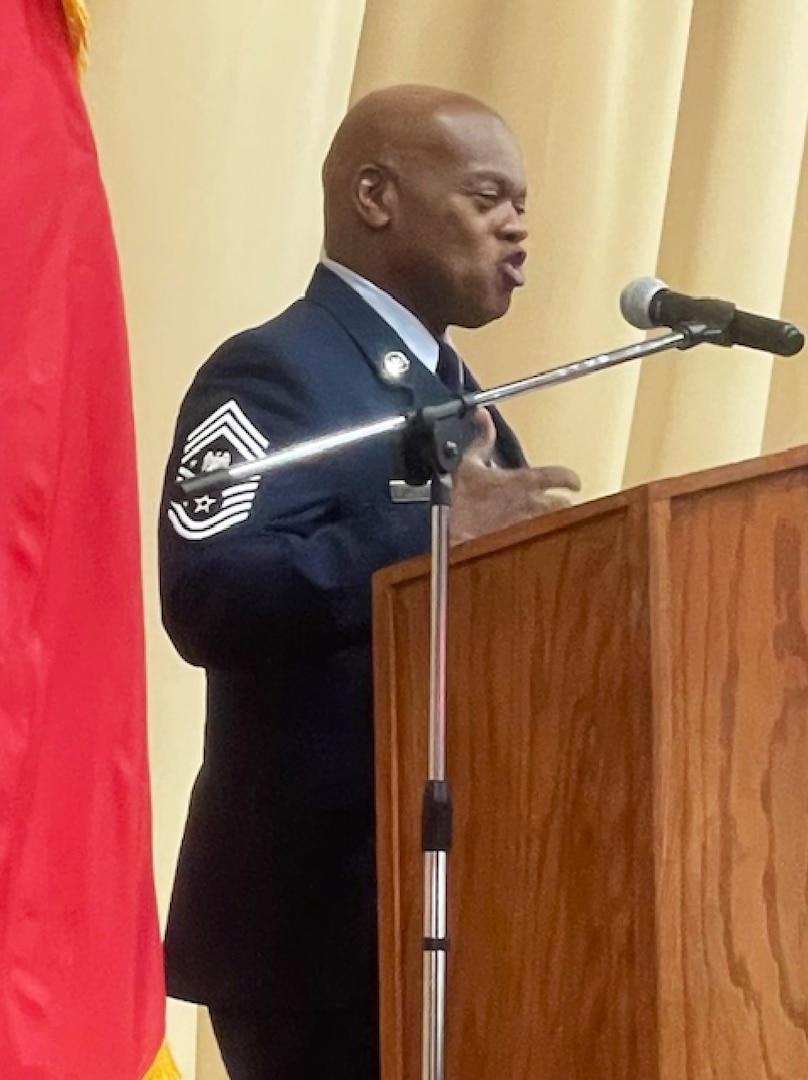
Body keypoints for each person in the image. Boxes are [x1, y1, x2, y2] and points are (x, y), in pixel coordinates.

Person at [159, 84, 580, 1079]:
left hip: (457, 911)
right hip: (315, 929)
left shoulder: (464, 399)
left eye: (520, 200)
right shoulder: (273, 372)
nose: (518, 224)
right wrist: (422, 529)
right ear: (376, 196)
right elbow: (208, 592)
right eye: (486, 196)